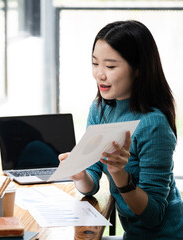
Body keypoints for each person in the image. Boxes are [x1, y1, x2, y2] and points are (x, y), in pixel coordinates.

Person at [59, 20, 183, 239]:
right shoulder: (100, 110)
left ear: (138, 70)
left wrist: (120, 175)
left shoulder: (154, 124)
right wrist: (80, 175)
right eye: (95, 63)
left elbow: (154, 215)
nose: (99, 74)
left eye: (110, 66)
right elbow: (91, 182)